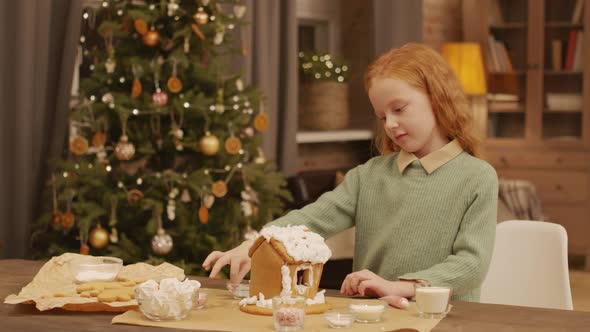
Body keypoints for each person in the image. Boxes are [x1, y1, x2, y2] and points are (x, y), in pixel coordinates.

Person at [203, 43, 498, 309]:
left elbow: (471, 264)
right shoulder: (368, 177)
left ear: (438, 98)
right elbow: (310, 220)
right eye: (383, 117)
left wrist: (401, 287)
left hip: (447, 319)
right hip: (372, 317)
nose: (391, 125)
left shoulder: (477, 177)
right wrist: (253, 246)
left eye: (399, 109)